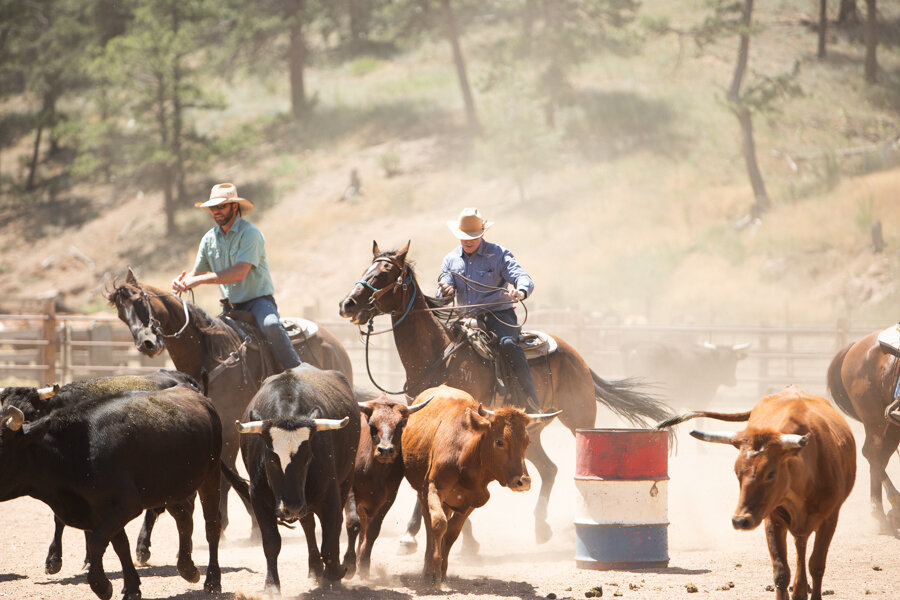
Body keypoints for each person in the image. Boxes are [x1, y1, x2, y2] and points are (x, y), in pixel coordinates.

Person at [171, 182, 302, 370]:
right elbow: (196, 273)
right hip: (229, 307)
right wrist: (181, 281)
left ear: (234, 206)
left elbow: (239, 272)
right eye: (212, 208)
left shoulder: (250, 234)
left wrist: (198, 280)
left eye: (221, 206)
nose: (216, 211)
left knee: (271, 325)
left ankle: (298, 371)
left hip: (258, 302)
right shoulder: (208, 239)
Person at [437, 207, 539, 411]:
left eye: (472, 236)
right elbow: (443, 291)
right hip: (465, 319)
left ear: (482, 234)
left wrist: (520, 291)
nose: (468, 241)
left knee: (508, 344)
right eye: (463, 236)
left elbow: (521, 277)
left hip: (498, 316)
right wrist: (446, 292)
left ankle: (530, 400)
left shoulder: (498, 254)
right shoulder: (450, 259)